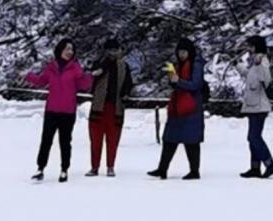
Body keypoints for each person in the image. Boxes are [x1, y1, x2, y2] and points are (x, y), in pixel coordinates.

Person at [24, 38, 91, 182]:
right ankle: (40, 168)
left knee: (65, 141)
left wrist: (90, 76)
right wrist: (28, 76)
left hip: (67, 112)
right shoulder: (51, 67)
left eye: (71, 49)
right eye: (67, 49)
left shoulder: (75, 68)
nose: (69, 52)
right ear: (60, 50)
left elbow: (83, 85)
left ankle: (64, 169)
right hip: (52, 110)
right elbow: (41, 81)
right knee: (46, 140)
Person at [147, 39, 204, 180]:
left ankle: (194, 171)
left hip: (191, 108)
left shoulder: (195, 66)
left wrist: (178, 81)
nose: (182, 54)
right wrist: (172, 80)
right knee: (169, 139)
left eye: (184, 52)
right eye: (179, 52)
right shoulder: (178, 65)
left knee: (191, 142)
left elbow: (196, 84)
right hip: (177, 107)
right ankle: (162, 169)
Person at [86, 38, 133, 177]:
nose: (113, 53)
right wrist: (103, 66)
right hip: (98, 106)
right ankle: (94, 167)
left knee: (113, 139)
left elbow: (128, 84)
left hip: (115, 107)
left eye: (115, 50)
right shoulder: (98, 64)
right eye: (110, 50)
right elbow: (90, 82)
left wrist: (125, 93)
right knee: (95, 139)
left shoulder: (124, 66)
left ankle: (110, 166)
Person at [239, 35, 273, 179]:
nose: (248, 49)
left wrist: (259, 64)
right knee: (253, 137)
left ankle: (270, 163)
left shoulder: (262, 60)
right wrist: (238, 64)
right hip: (253, 104)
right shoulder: (253, 61)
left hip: (260, 105)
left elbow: (265, 78)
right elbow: (249, 75)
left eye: (250, 46)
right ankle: (255, 167)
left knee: (254, 137)